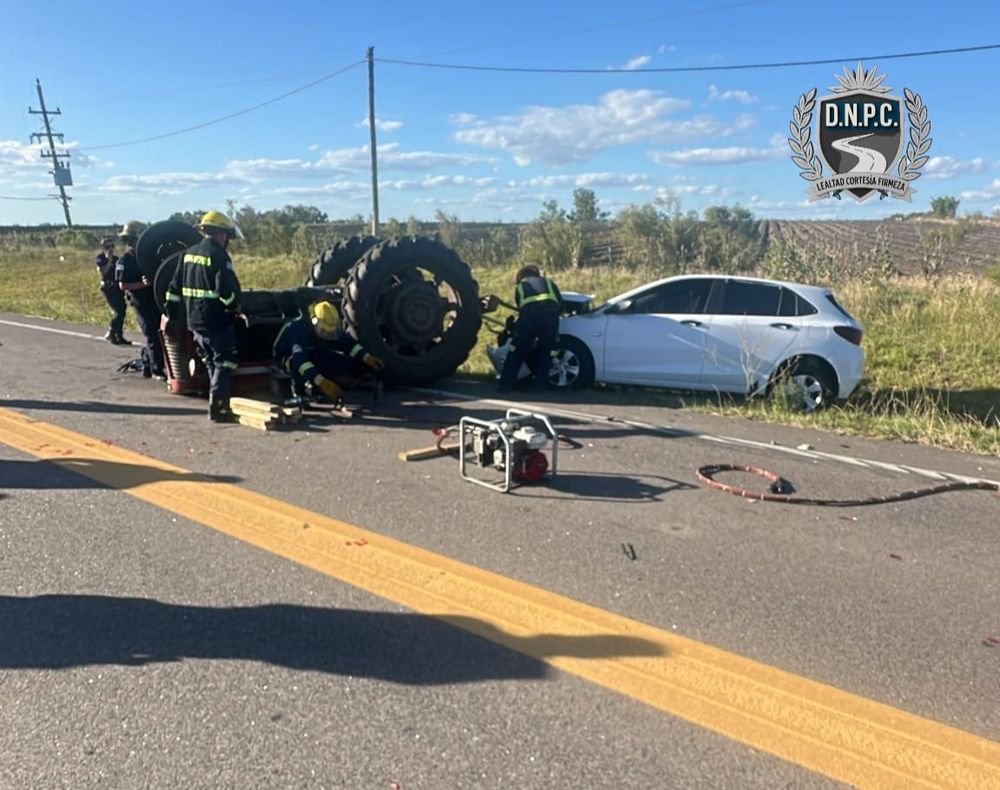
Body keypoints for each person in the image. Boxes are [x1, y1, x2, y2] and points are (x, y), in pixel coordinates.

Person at [164, 210, 243, 423]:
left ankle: (215, 400)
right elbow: (225, 290)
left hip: (194, 322)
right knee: (226, 361)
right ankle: (218, 408)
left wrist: (172, 316)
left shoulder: (188, 254)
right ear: (221, 235)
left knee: (210, 361)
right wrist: (235, 307)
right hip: (216, 321)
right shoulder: (218, 255)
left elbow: (173, 289)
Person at [273, 300, 384, 403]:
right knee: (297, 363)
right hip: (288, 357)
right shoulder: (298, 330)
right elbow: (300, 361)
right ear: (314, 322)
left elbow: (348, 344)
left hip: (312, 352)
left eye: (330, 332)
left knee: (340, 361)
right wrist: (322, 383)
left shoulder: (327, 329)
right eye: (324, 331)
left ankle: (329, 381)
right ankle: (299, 391)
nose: (328, 335)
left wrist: (367, 358)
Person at [497, 264, 562, 392]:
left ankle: (505, 385)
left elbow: (521, 307)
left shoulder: (521, 287)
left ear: (521, 276)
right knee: (546, 352)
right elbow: (560, 302)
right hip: (550, 317)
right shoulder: (548, 283)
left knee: (516, 350)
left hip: (530, 317)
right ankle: (542, 386)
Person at [114, 221, 165, 379]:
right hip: (141, 303)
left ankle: (147, 362)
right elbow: (122, 285)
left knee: (162, 333)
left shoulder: (152, 256)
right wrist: (141, 284)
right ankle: (157, 369)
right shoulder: (125, 260)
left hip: (157, 300)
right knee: (152, 334)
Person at [94, 236, 129, 345]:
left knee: (122, 310)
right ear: (103, 247)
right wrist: (108, 259)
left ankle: (119, 334)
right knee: (117, 311)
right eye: (107, 246)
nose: (110, 248)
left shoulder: (116, 259)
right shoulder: (100, 258)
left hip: (116, 287)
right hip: (107, 288)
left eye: (111, 246)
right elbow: (103, 272)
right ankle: (111, 332)